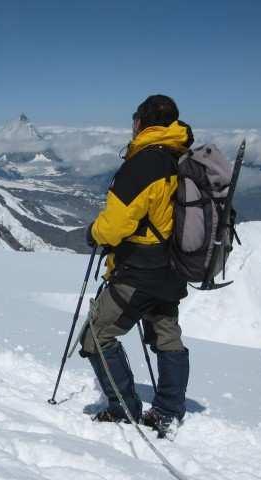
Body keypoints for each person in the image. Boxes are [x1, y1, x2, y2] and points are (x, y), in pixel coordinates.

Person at [81, 94, 192, 438]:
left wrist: (93, 233)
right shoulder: (178, 158)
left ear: (142, 121)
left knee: (96, 336)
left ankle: (124, 408)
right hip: (172, 267)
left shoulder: (143, 164)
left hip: (139, 269)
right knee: (166, 336)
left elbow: (114, 226)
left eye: (134, 118)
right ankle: (168, 410)